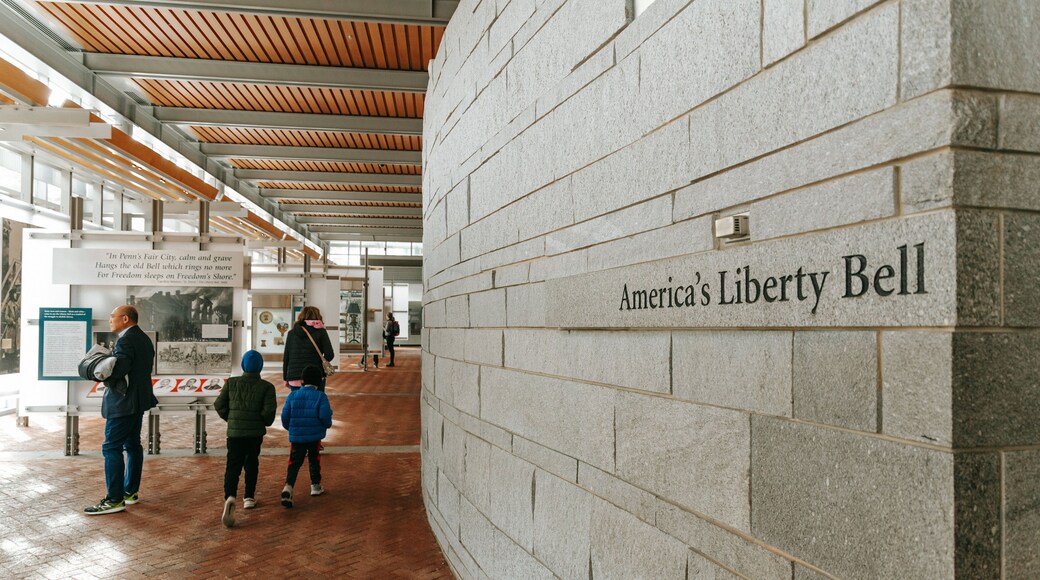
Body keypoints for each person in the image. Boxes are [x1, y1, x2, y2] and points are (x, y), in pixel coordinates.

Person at [84, 305, 157, 515]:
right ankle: (130, 492)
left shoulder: (126, 340)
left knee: (111, 447)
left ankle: (114, 500)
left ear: (125, 319)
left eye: (112, 316)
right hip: (138, 401)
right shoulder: (143, 338)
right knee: (133, 445)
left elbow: (119, 370)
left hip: (123, 402)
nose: (109, 320)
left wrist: (101, 371)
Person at [214, 350, 276, 528]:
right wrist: (261, 421)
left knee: (233, 465)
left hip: (234, 434)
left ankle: (230, 496)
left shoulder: (232, 383)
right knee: (251, 463)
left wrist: (230, 419)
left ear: (242, 365)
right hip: (255, 434)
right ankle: (249, 496)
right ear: (260, 367)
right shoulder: (267, 387)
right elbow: (269, 415)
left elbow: (219, 404)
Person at [279, 365, 332, 508]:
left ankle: (288, 486)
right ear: (318, 381)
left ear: (302, 380)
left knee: (294, 462)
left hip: (297, 437)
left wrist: (291, 428)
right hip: (314, 437)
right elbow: (325, 416)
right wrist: (326, 425)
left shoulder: (292, 396)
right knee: (314, 460)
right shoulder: (321, 396)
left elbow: (285, 416)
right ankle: (315, 485)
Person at [282, 306, 334, 391]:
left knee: (297, 402)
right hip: (315, 376)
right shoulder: (321, 332)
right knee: (316, 402)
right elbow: (329, 355)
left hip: (294, 377)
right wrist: (320, 362)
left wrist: (285, 377)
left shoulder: (291, 333)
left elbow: (286, 358)